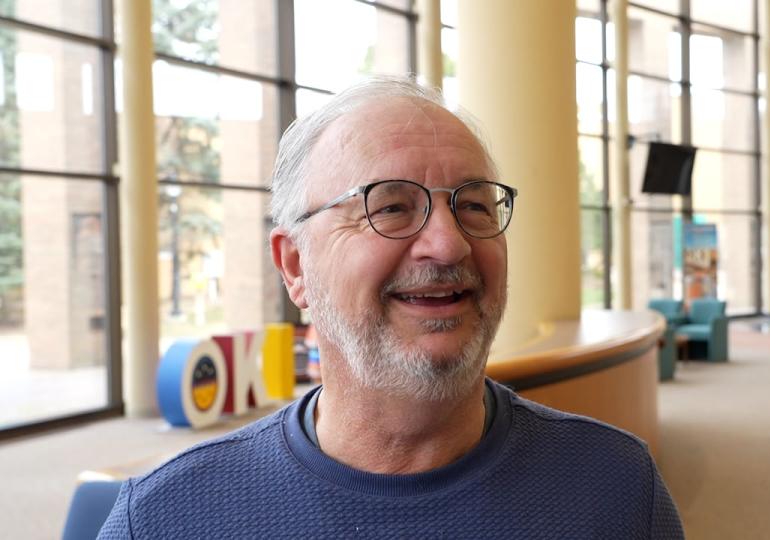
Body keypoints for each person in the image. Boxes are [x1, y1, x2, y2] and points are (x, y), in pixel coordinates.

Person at [98, 77, 684, 539]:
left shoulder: (617, 489)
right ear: (295, 266)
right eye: (392, 206)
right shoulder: (165, 520)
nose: (450, 243)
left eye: (474, 206)